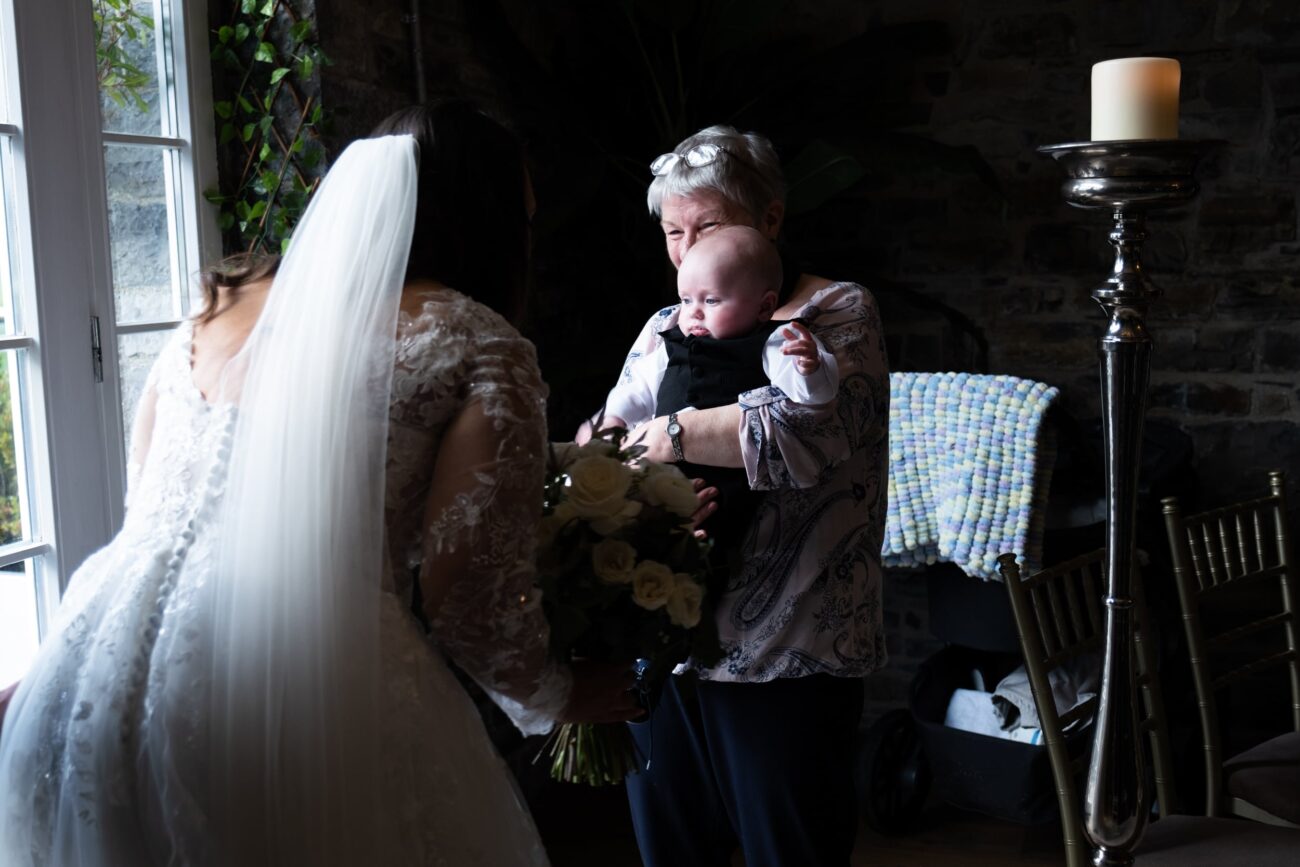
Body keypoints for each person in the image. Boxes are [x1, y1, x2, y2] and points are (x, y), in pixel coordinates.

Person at [0, 101, 637, 866]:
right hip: (285, 701)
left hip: (85, 679)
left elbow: (149, 499)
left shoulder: (221, 305)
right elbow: (467, 592)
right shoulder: (478, 341)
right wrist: (563, 694)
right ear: (489, 224)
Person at [581, 125, 890, 867]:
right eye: (672, 232)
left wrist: (662, 437)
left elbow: (790, 433)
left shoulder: (835, 315)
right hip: (669, 637)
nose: (686, 251)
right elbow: (602, 438)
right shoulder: (664, 326)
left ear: (771, 219)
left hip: (791, 647)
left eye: (707, 226)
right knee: (671, 850)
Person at [594, 224, 837, 549]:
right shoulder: (670, 345)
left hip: (726, 487)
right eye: (685, 299)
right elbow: (636, 389)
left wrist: (811, 369)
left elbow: (808, 403)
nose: (692, 312)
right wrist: (614, 420)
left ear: (764, 307)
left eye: (710, 300)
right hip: (659, 485)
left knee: (714, 551)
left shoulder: (774, 341)